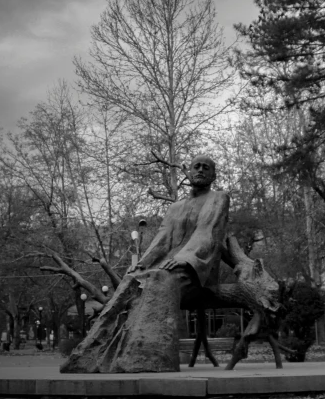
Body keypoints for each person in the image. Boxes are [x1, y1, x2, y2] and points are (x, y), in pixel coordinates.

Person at [61, 154, 229, 373]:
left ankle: (152, 357)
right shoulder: (175, 207)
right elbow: (162, 239)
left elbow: (207, 233)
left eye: (206, 168)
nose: (200, 170)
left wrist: (182, 259)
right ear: (188, 172)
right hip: (169, 265)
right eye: (196, 166)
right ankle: (94, 353)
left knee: (159, 278)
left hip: (196, 269)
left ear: (213, 175)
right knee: (132, 280)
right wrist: (142, 263)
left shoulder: (219, 198)